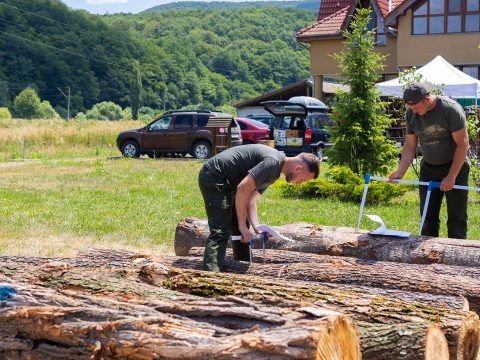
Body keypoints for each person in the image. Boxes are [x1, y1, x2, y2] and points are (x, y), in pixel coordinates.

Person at [198, 144, 320, 272]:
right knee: (221, 229)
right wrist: (241, 224)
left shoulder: (275, 172)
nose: (300, 183)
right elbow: (243, 188)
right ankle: (210, 276)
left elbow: (250, 200)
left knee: (242, 230)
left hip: (229, 181)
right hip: (214, 175)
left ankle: (240, 271)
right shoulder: (272, 163)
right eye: (303, 179)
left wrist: (256, 227)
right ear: (298, 168)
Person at [389, 83, 469, 239]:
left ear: (427, 99)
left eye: (416, 107)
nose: (414, 111)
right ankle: (427, 253)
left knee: (457, 217)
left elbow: (463, 144)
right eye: (410, 108)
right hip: (429, 168)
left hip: (455, 167)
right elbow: (410, 144)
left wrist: (451, 176)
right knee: (427, 216)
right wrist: (400, 171)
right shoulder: (411, 113)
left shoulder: (450, 109)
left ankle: (458, 255)